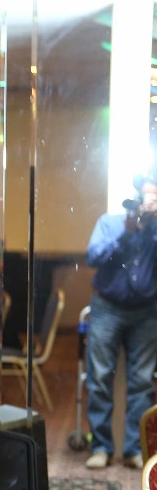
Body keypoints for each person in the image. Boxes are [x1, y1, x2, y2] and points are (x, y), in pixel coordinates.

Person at [82, 176, 157, 470]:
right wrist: (127, 232)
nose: (150, 204)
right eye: (147, 198)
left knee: (142, 383)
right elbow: (93, 256)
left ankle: (134, 450)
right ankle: (100, 446)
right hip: (107, 308)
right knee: (99, 378)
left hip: (147, 311)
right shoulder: (110, 222)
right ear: (134, 200)